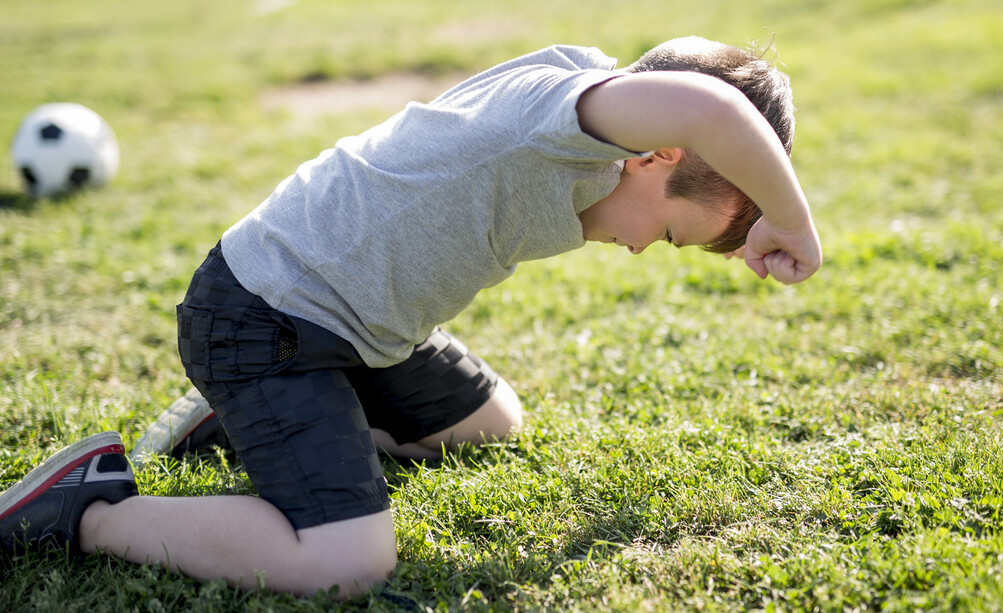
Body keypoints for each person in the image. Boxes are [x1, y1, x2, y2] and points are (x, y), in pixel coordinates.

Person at [0, 36, 821, 598]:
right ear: (656, 152)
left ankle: (239, 422)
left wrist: (748, 216)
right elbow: (712, 111)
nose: (645, 250)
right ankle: (88, 509)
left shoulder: (594, 132)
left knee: (494, 424)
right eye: (672, 234)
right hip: (265, 316)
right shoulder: (565, 119)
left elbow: (712, 122)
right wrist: (793, 218)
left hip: (363, 328)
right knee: (345, 561)